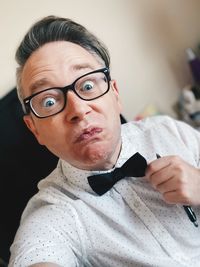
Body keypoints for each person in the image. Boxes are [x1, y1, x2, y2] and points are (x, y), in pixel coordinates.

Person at [8, 15, 200, 267]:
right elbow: (38, 252)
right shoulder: (54, 215)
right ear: (35, 130)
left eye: (87, 85)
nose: (78, 110)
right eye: (49, 101)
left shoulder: (170, 131)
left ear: (115, 94)